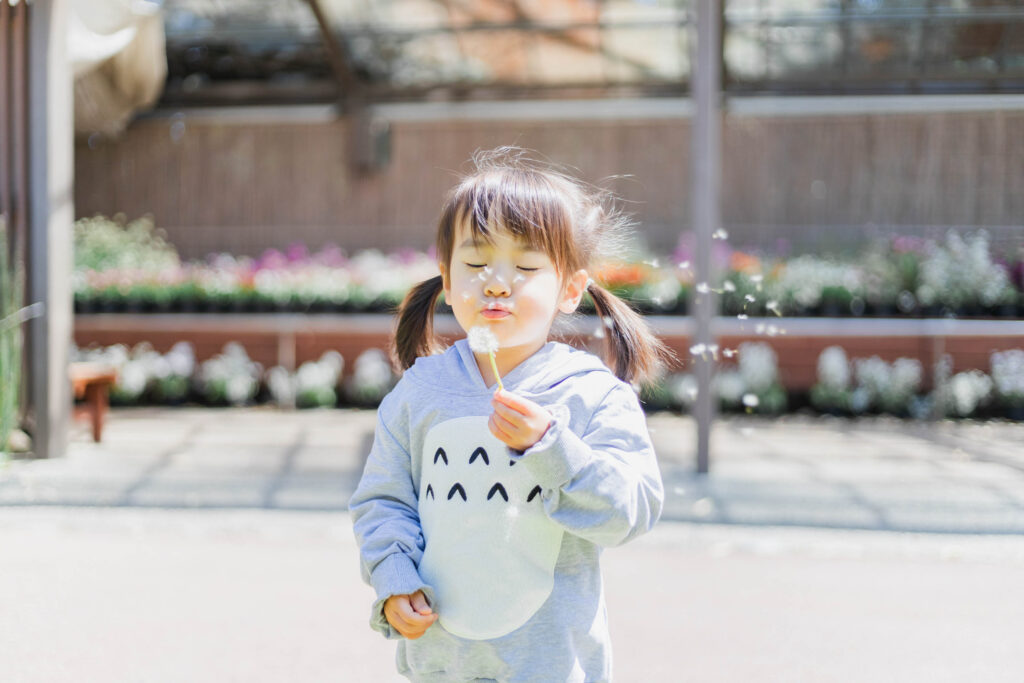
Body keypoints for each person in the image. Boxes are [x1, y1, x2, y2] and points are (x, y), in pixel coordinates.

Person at [348, 147, 671, 682]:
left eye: (524, 266)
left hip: (550, 666)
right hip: (441, 663)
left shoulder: (591, 395)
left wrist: (553, 447)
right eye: (475, 264)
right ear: (448, 282)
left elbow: (630, 512)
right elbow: (383, 501)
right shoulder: (420, 391)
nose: (496, 283)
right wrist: (395, 578)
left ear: (569, 289)